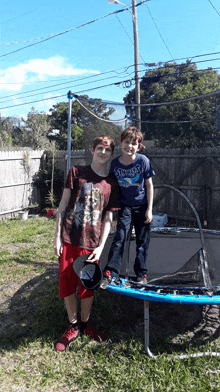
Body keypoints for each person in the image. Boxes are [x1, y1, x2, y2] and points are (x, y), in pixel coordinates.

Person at [53, 135, 119, 352]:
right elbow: (63, 204)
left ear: (111, 154)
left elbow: (108, 219)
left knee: (87, 286)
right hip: (69, 237)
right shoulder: (76, 172)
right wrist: (56, 236)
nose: (103, 152)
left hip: (91, 242)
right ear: (92, 150)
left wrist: (100, 247)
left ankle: (85, 324)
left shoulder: (111, 184)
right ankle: (72, 327)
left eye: (107, 150)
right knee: (66, 283)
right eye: (99, 148)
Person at [100, 126, 155, 289]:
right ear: (121, 143)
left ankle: (141, 274)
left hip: (142, 205)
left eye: (133, 143)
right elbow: (112, 187)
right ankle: (111, 272)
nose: (129, 146)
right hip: (125, 206)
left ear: (139, 146)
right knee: (120, 237)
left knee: (142, 240)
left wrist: (149, 209)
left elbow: (149, 185)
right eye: (126, 142)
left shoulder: (143, 161)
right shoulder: (115, 164)